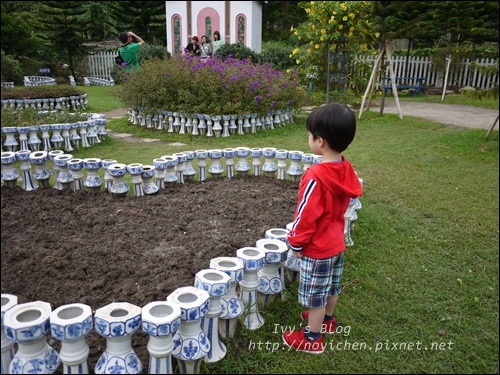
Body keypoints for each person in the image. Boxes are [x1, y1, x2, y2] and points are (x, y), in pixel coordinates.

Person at [282, 103, 363, 354]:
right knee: (332, 286)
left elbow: (306, 215)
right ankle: (328, 320)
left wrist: (296, 242)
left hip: (317, 249)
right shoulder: (345, 168)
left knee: (315, 296)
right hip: (336, 243)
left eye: (309, 134)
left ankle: (312, 338)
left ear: (320, 141)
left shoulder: (315, 176)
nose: (309, 138)